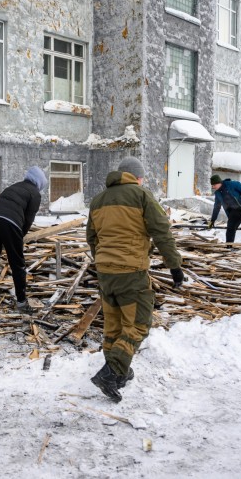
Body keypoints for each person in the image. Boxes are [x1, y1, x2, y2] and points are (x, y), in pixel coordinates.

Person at [86, 156, 184, 402]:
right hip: (131, 273)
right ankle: (112, 372)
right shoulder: (141, 196)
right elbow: (161, 231)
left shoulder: (98, 200)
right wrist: (175, 266)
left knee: (114, 324)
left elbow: (92, 237)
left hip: (105, 272)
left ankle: (120, 372)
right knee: (139, 324)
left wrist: (104, 260)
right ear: (137, 177)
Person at [0, 166, 46, 313]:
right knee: (17, 264)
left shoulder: (15, 186)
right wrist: (19, 237)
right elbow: (28, 219)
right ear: (39, 182)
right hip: (10, 222)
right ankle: (21, 302)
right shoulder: (35, 194)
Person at [209, 174, 241, 255]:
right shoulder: (218, 193)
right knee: (230, 229)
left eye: (214, 185)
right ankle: (229, 247)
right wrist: (212, 220)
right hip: (235, 212)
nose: (213, 187)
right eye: (212, 186)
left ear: (218, 183)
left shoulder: (233, 184)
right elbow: (216, 207)